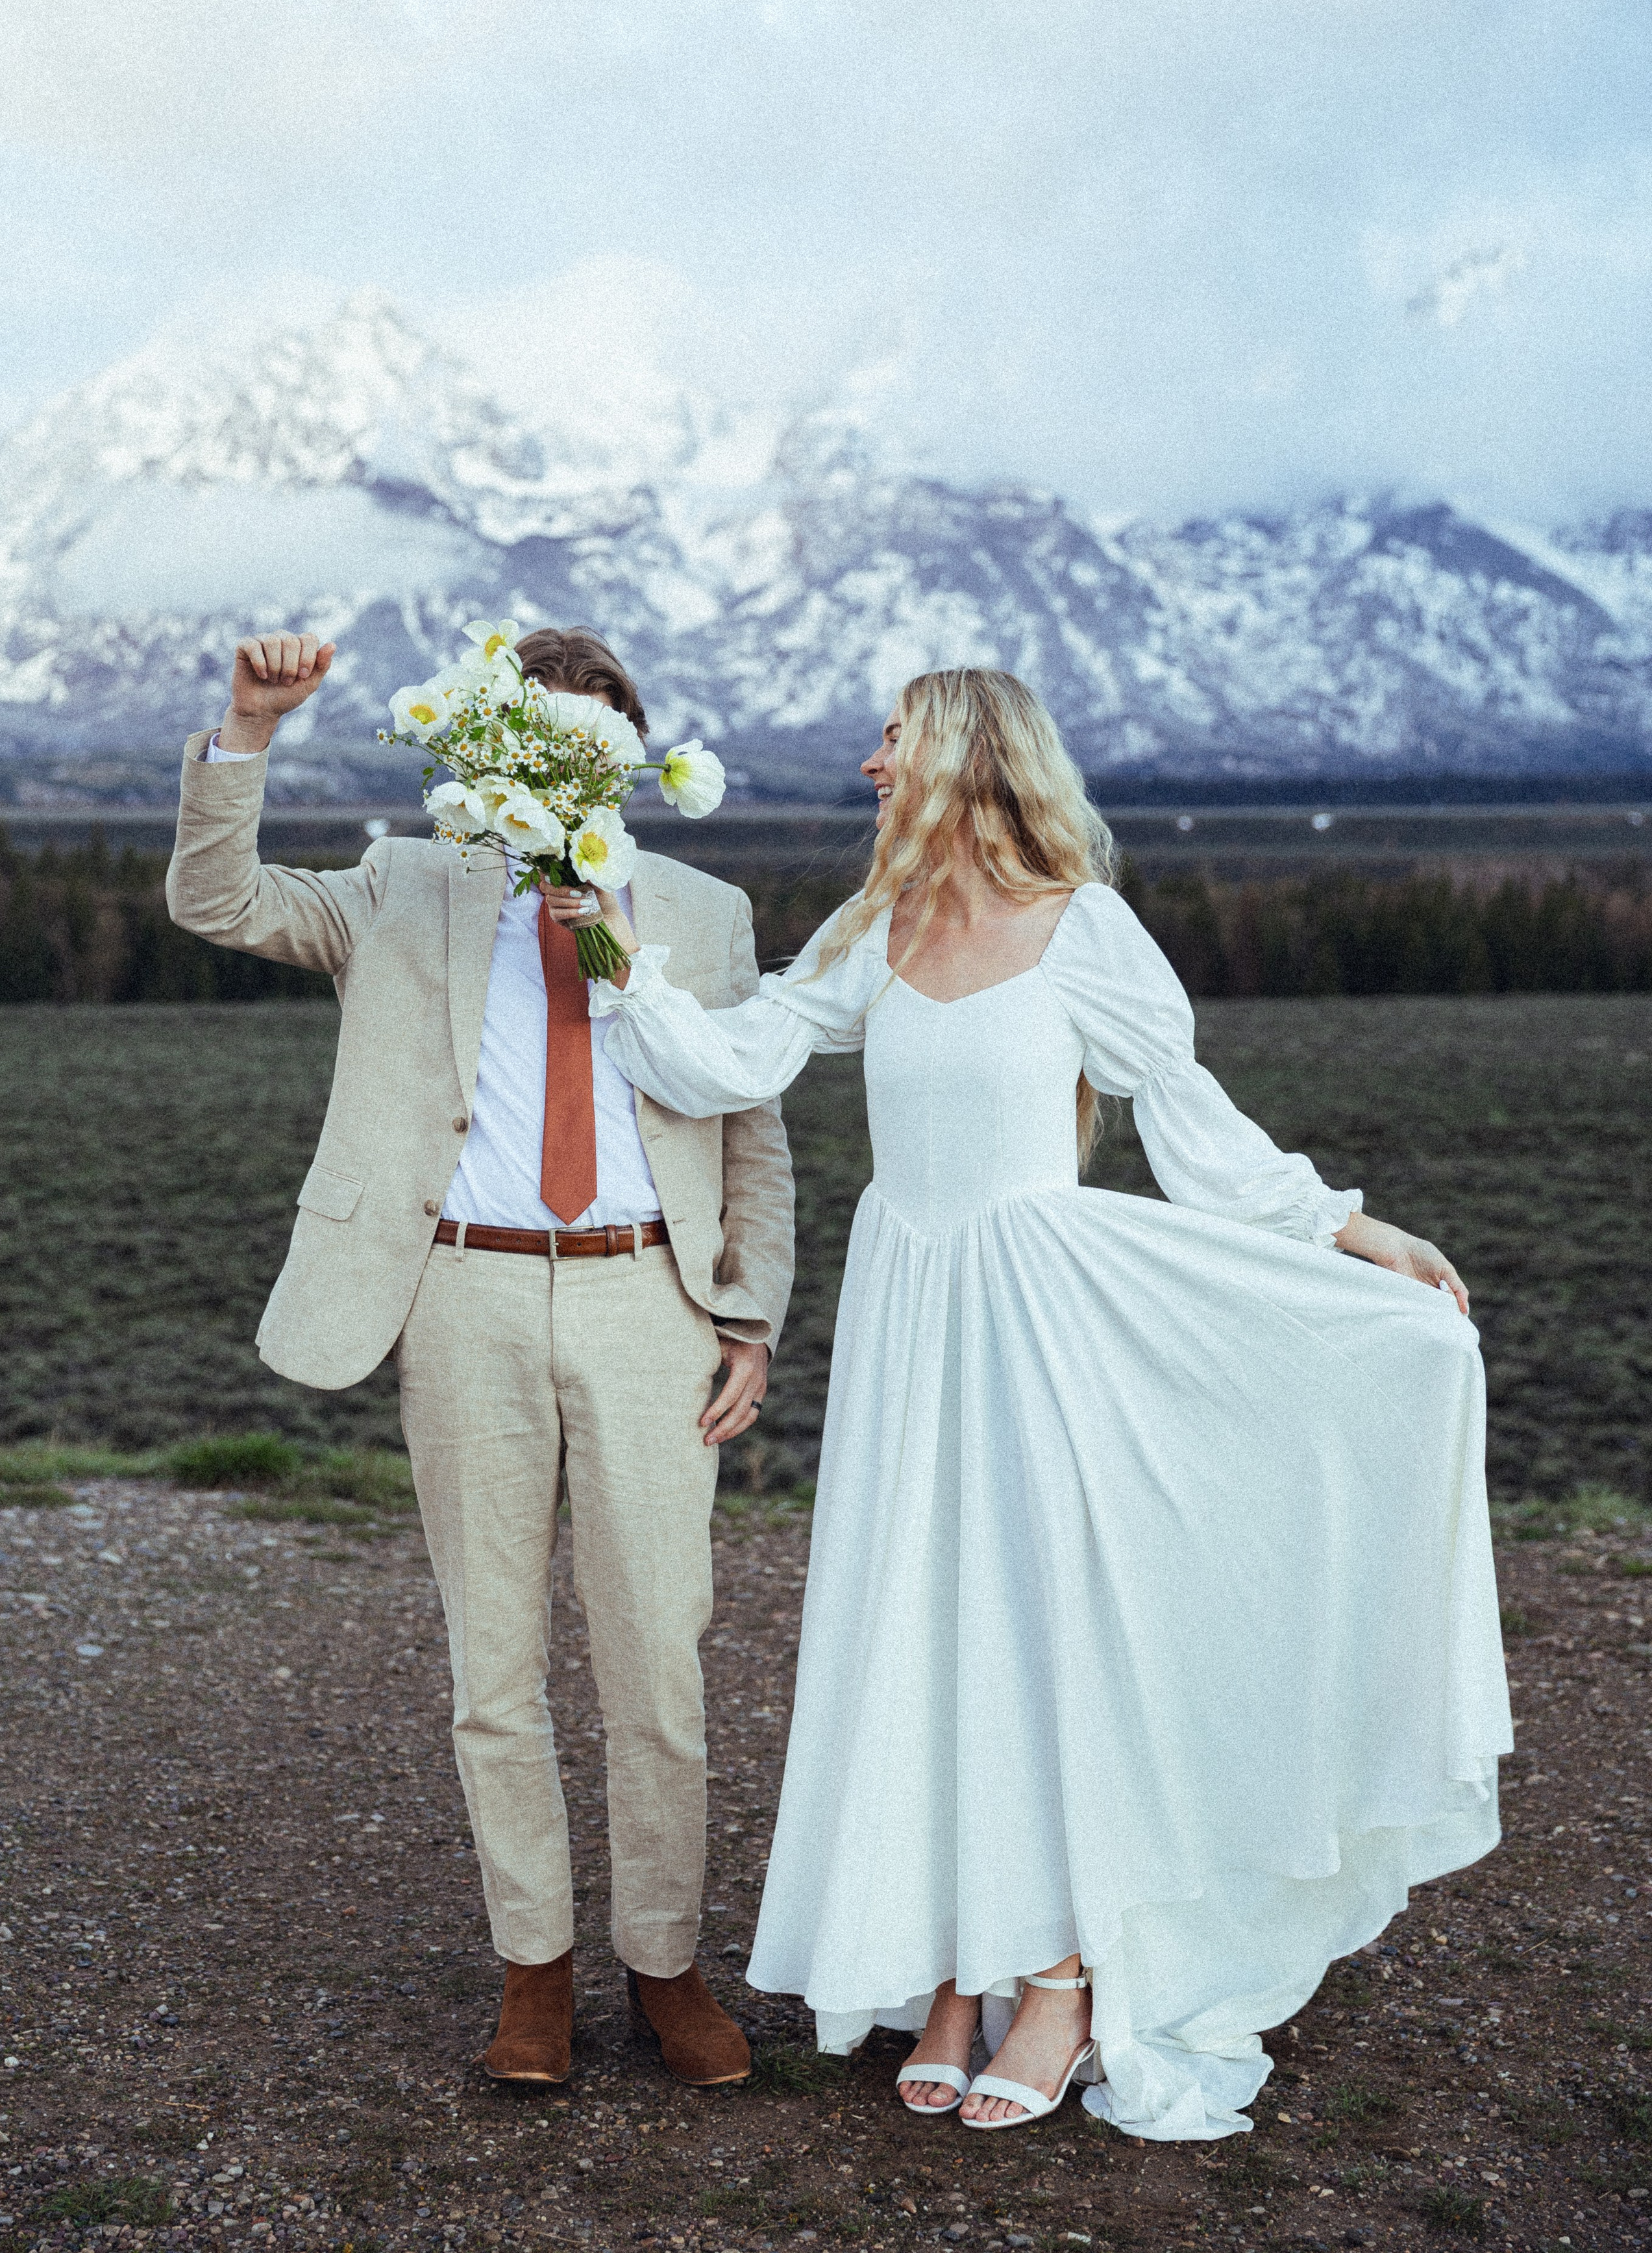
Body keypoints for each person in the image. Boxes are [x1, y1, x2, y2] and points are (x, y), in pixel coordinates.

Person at [562, 666, 1510, 2141]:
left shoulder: (1081, 924)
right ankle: (953, 1967)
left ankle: (1058, 1974)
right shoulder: (871, 929)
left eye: (891, 736)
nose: (868, 760)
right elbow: (731, 1058)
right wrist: (616, 947)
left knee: (1040, 1624)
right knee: (922, 1621)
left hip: (1038, 1307)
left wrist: (1346, 1229)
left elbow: (1192, 1125)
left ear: (960, 754)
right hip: (908, 1306)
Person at [166, 624, 795, 2091]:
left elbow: (753, 1122)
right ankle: (533, 1972)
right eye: (532, 735)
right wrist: (248, 730)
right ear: (485, 752)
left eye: (587, 737)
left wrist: (748, 1312)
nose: (557, 762)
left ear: (626, 749)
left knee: (658, 1658)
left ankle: (664, 1965)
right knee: (490, 1661)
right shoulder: (405, 885)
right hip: (461, 1300)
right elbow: (218, 899)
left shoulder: (703, 910)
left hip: (652, 1306)